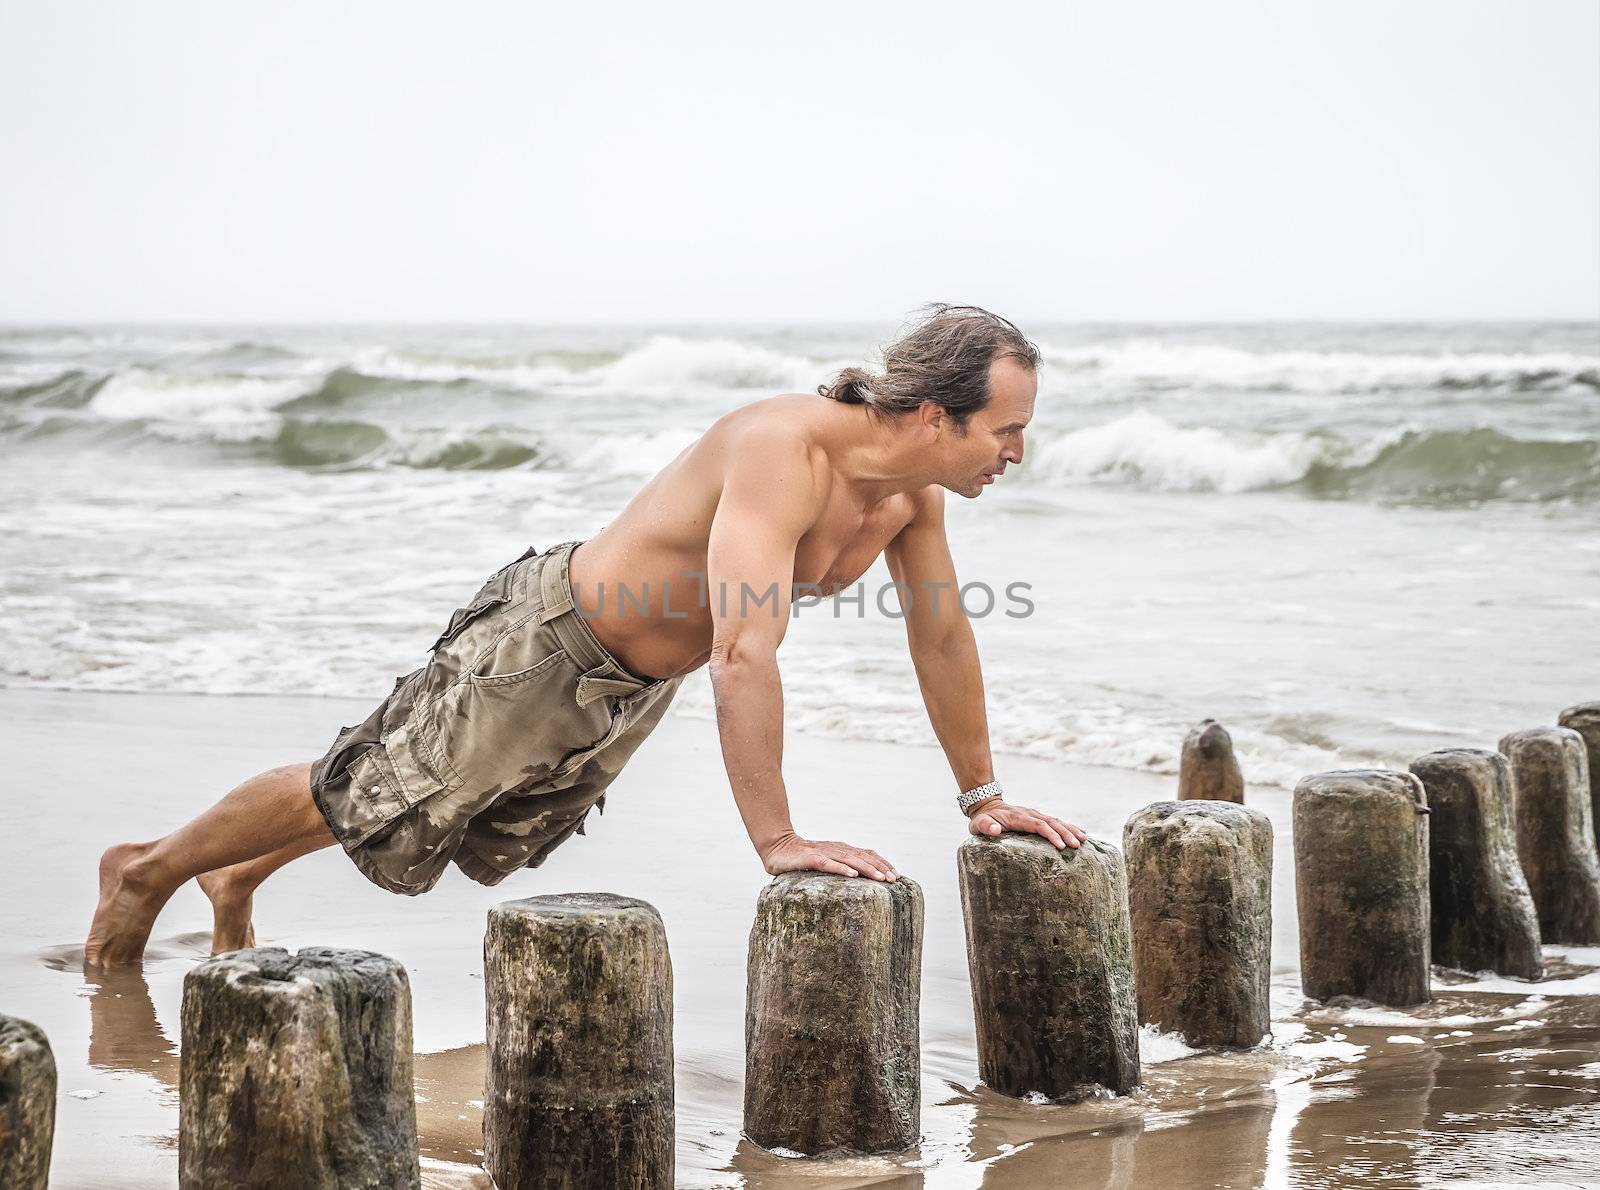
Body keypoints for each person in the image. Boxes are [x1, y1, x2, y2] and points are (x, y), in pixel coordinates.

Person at [84, 304, 1088, 967]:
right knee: (370, 781)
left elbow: (944, 637)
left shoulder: (913, 497)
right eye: (1004, 427)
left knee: (427, 806)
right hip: (549, 642)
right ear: (927, 414)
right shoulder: (785, 448)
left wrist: (984, 795)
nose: (1016, 450)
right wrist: (778, 839)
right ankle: (146, 869)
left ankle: (239, 869)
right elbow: (744, 651)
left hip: (634, 682)